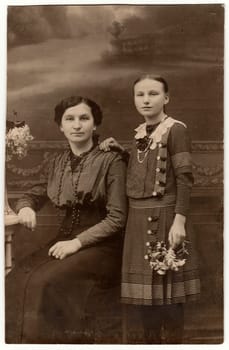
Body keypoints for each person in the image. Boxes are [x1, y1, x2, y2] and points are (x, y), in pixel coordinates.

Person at [5, 95, 127, 344]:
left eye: (84, 118)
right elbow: (35, 193)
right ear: (61, 126)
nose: (77, 125)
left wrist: (77, 243)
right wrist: (26, 208)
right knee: (16, 277)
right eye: (69, 119)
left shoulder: (111, 160)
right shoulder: (58, 162)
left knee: (44, 282)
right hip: (65, 239)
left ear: (95, 124)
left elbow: (117, 218)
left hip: (103, 246)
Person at [100, 74, 200, 344]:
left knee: (169, 295)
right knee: (147, 297)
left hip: (166, 217)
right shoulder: (140, 132)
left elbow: (184, 178)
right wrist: (121, 151)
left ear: (166, 98)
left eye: (153, 94)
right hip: (138, 219)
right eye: (140, 94)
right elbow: (141, 170)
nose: (146, 99)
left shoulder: (176, 129)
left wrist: (179, 222)